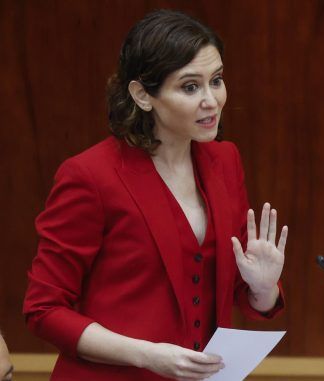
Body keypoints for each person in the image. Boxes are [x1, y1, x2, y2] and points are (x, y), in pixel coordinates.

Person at [23, 9, 288, 381]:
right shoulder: (90, 176)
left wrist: (262, 288)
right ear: (142, 95)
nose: (211, 100)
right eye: (190, 86)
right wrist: (146, 354)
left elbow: (239, 293)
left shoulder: (225, 161)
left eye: (217, 80)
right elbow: (44, 309)